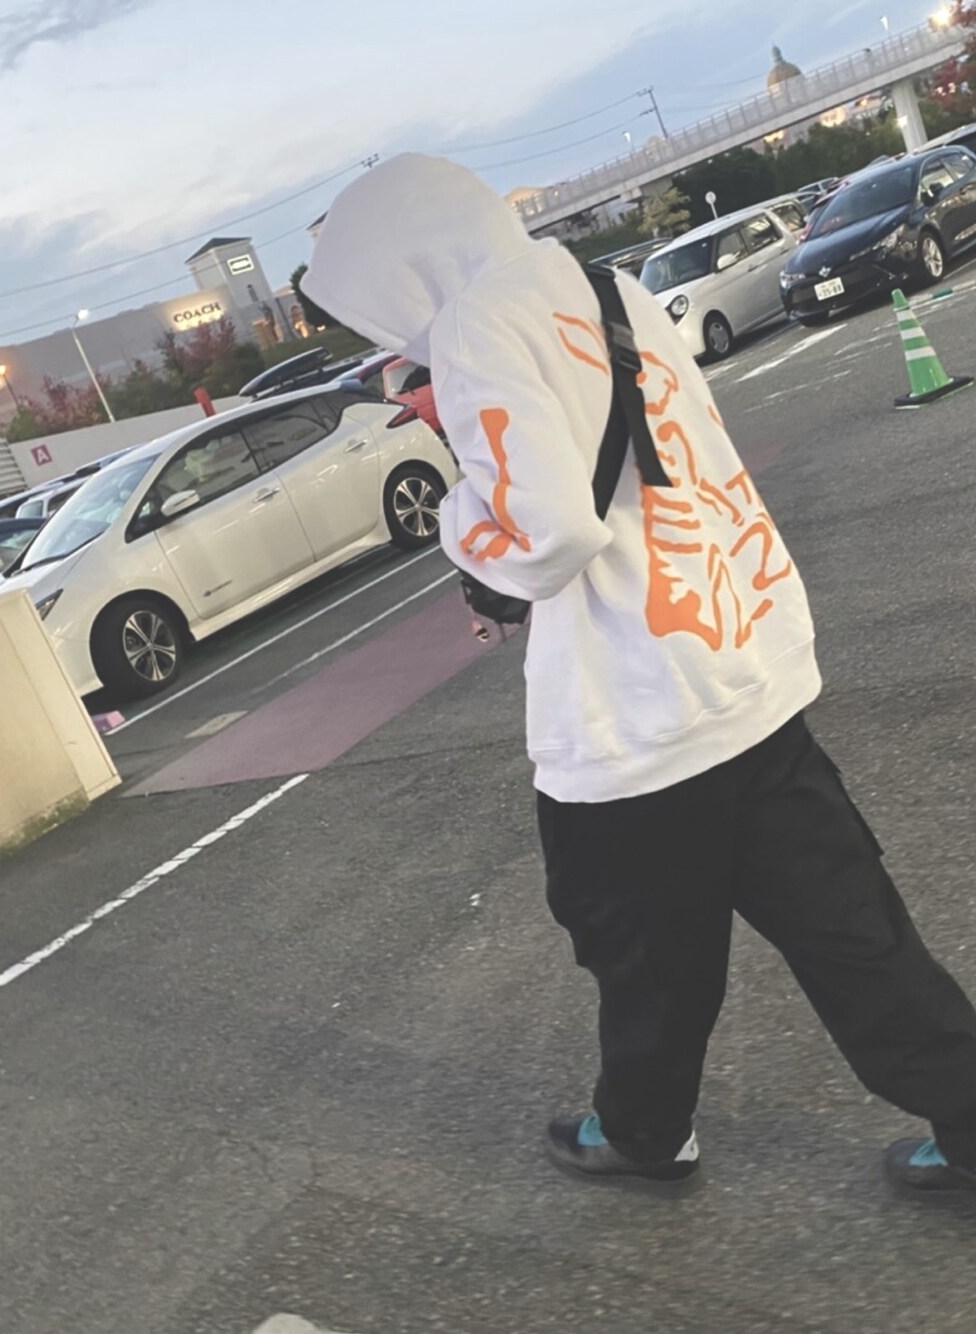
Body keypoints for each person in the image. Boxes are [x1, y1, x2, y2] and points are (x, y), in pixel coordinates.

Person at [304, 153, 976, 1196]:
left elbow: (547, 534)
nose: (385, 333)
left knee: (642, 956)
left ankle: (645, 1135)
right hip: (736, 661)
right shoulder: (605, 284)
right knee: (854, 932)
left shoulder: (479, 327)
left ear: (406, 263)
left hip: (633, 710)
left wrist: (459, 524)